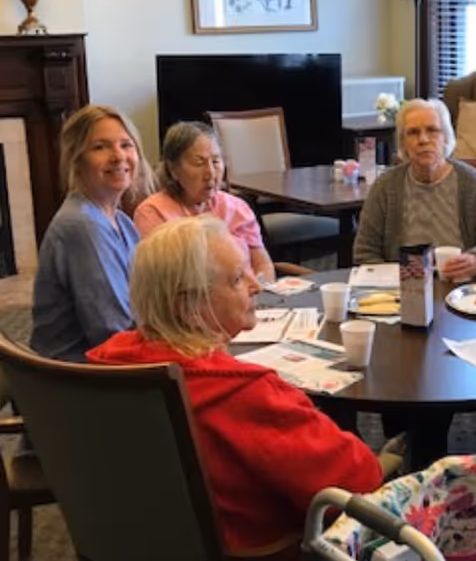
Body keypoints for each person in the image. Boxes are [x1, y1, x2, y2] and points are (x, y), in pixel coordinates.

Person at [86, 216, 382, 553]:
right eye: (238, 278)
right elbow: (359, 482)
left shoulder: (107, 367)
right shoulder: (242, 393)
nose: (257, 285)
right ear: (189, 305)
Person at [30, 104, 157, 362]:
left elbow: (145, 303)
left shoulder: (121, 221)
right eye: (100, 147)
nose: (118, 156)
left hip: (108, 364)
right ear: (77, 159)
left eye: (126, 144)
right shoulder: (82, 227)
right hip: (79, 380)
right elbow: (113, 333)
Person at [353, 98, 476, 282]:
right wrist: (390, 276)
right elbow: (364, 252)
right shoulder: (386, 186)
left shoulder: (470, 181)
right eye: (413, 133)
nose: (423, 140)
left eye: (432, 130)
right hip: (402, 292)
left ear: (445, 137)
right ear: (403, 143)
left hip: (460, 290)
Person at [134, 121, 276, 282]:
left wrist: (261, 294)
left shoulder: (237, 207)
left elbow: (263, 264)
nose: (210, 173)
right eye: (199, 163)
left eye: (216, 161)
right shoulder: (152, 213)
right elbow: (165, 283)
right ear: (173, 170)